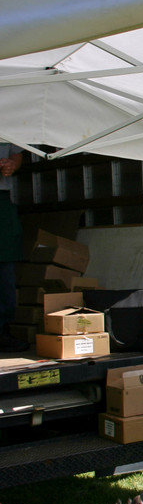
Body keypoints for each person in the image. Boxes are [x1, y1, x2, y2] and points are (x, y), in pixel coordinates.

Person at [0, 144, 28, 353]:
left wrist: (11, 164)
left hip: (2, 198)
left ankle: (2, 331)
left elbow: (17, 153)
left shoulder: (9, 123)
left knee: (4, 269)